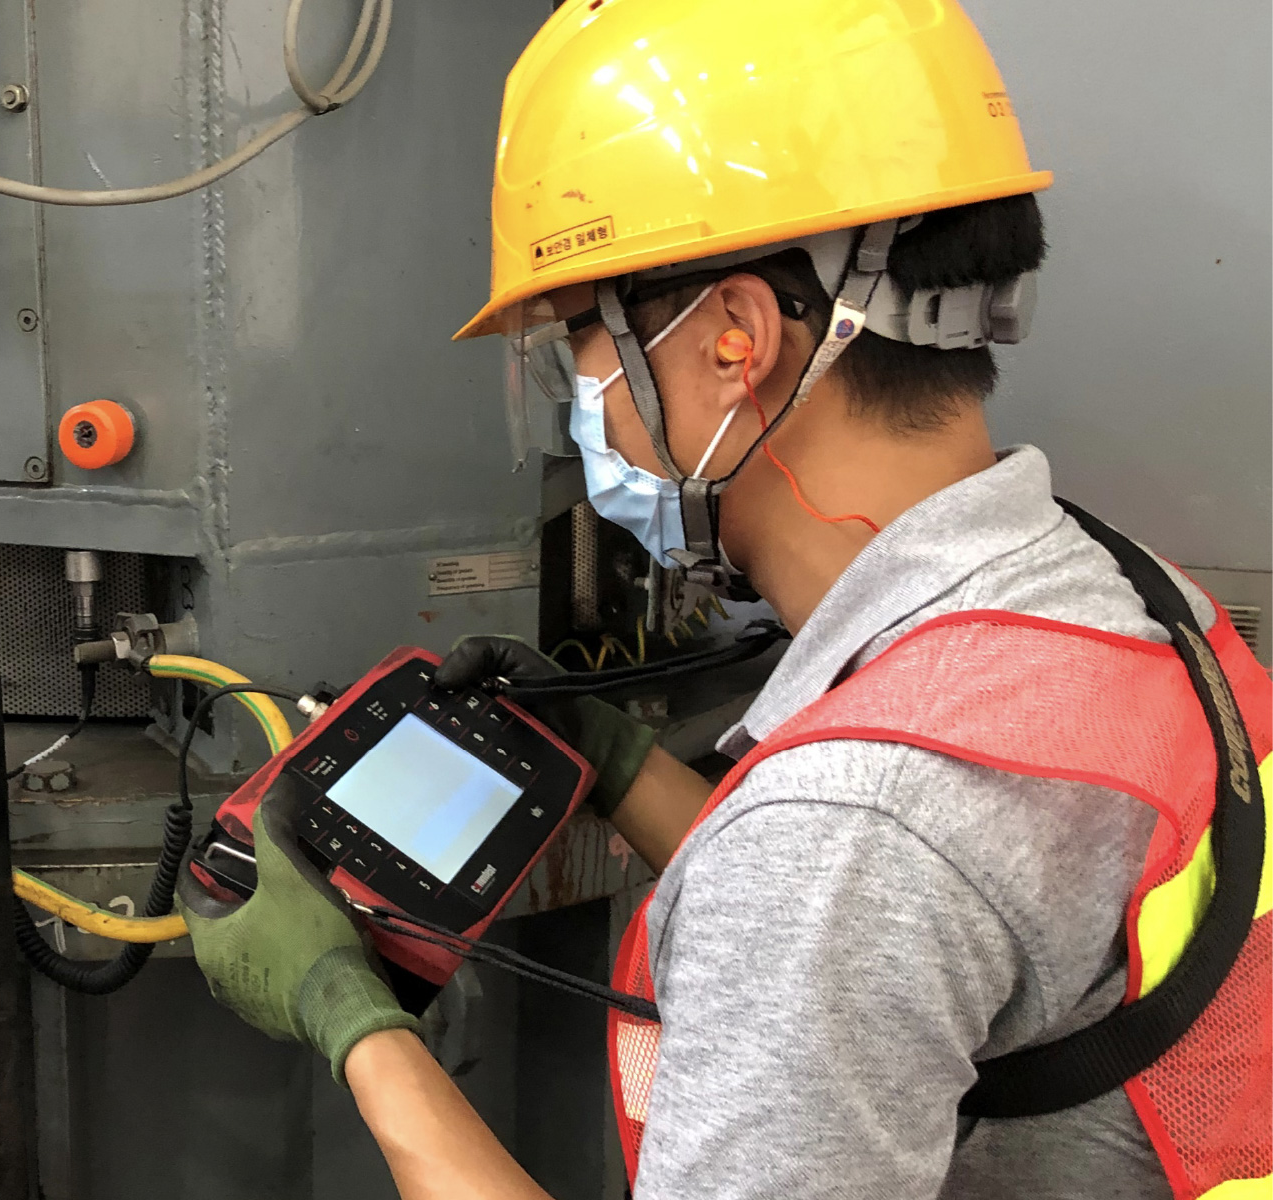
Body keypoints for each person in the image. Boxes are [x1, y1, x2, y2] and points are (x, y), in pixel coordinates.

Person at [177, 2, 1270, 1198]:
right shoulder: (1131, 597)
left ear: (733, 342)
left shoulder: (848, 829)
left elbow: (848, 874)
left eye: (578, 348)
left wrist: (353, 1022)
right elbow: (894, 927)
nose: (580, 406)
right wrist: (617, 759)